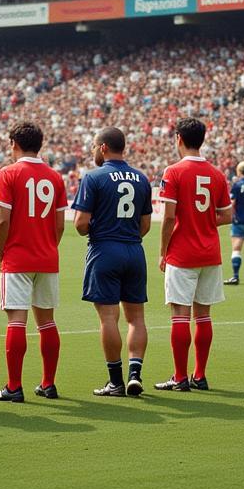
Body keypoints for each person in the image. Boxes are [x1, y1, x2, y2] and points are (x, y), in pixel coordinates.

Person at [0, 121, 68, 403]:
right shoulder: (56, 177)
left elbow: (3, 221)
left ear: (14, 144)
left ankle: (13, 386)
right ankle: (48, 383)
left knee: (17, 321)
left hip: (18, 257)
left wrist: (0, 250)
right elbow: (60, 225)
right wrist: (48, 245)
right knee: (47, 322)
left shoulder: (8, 173)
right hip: (47, 256)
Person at [73, 127, 153, 398]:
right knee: (137, 318)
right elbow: (145, 225)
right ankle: (135, 374)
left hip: (105, 250)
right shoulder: (141, 178)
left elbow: (81, 225)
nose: (93, 151)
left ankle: (115, 381)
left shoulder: (93, 177)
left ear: (104, 147)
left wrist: (103, 229)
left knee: (109, 317)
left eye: (94, 146)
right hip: (134, 251)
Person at [155, 117, 231, 392]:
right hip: (210, 251)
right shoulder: (216, 173)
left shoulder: (173, 171)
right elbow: (227, 215)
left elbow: (169, 216)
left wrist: (163, 251)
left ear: (179, 139)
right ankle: (200, 374)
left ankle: (179, 376)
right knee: (203, 316)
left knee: (179, 315)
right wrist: (207, 221)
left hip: (183, 253)